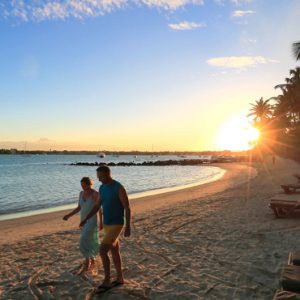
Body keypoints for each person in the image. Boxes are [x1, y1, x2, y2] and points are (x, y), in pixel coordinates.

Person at [80, 165, 131, 293]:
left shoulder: (118, 188)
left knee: (102, 251)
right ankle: (120, 278)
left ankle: (107, 280)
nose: (99, 180)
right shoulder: (102, 188)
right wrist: (87, 218)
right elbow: (98, 205)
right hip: (107, 224)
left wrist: (128, 226)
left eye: (101, 177)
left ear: (108, 174)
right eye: (98, 177)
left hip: (117, 223)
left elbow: (127, 207)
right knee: (114, 250)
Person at [63, 177, 102, 270]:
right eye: (82, 185)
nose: (83, 187)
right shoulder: (81, 193)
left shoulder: (95, 194)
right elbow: (79, 208)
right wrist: (68, 215)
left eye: (84, 185)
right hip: (83, 221)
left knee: (83, 240)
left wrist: (101, 222)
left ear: (89, 184)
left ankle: (87, 260)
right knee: (88, 240)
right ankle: (92, 258)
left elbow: (99, 209)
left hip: (92, 221)